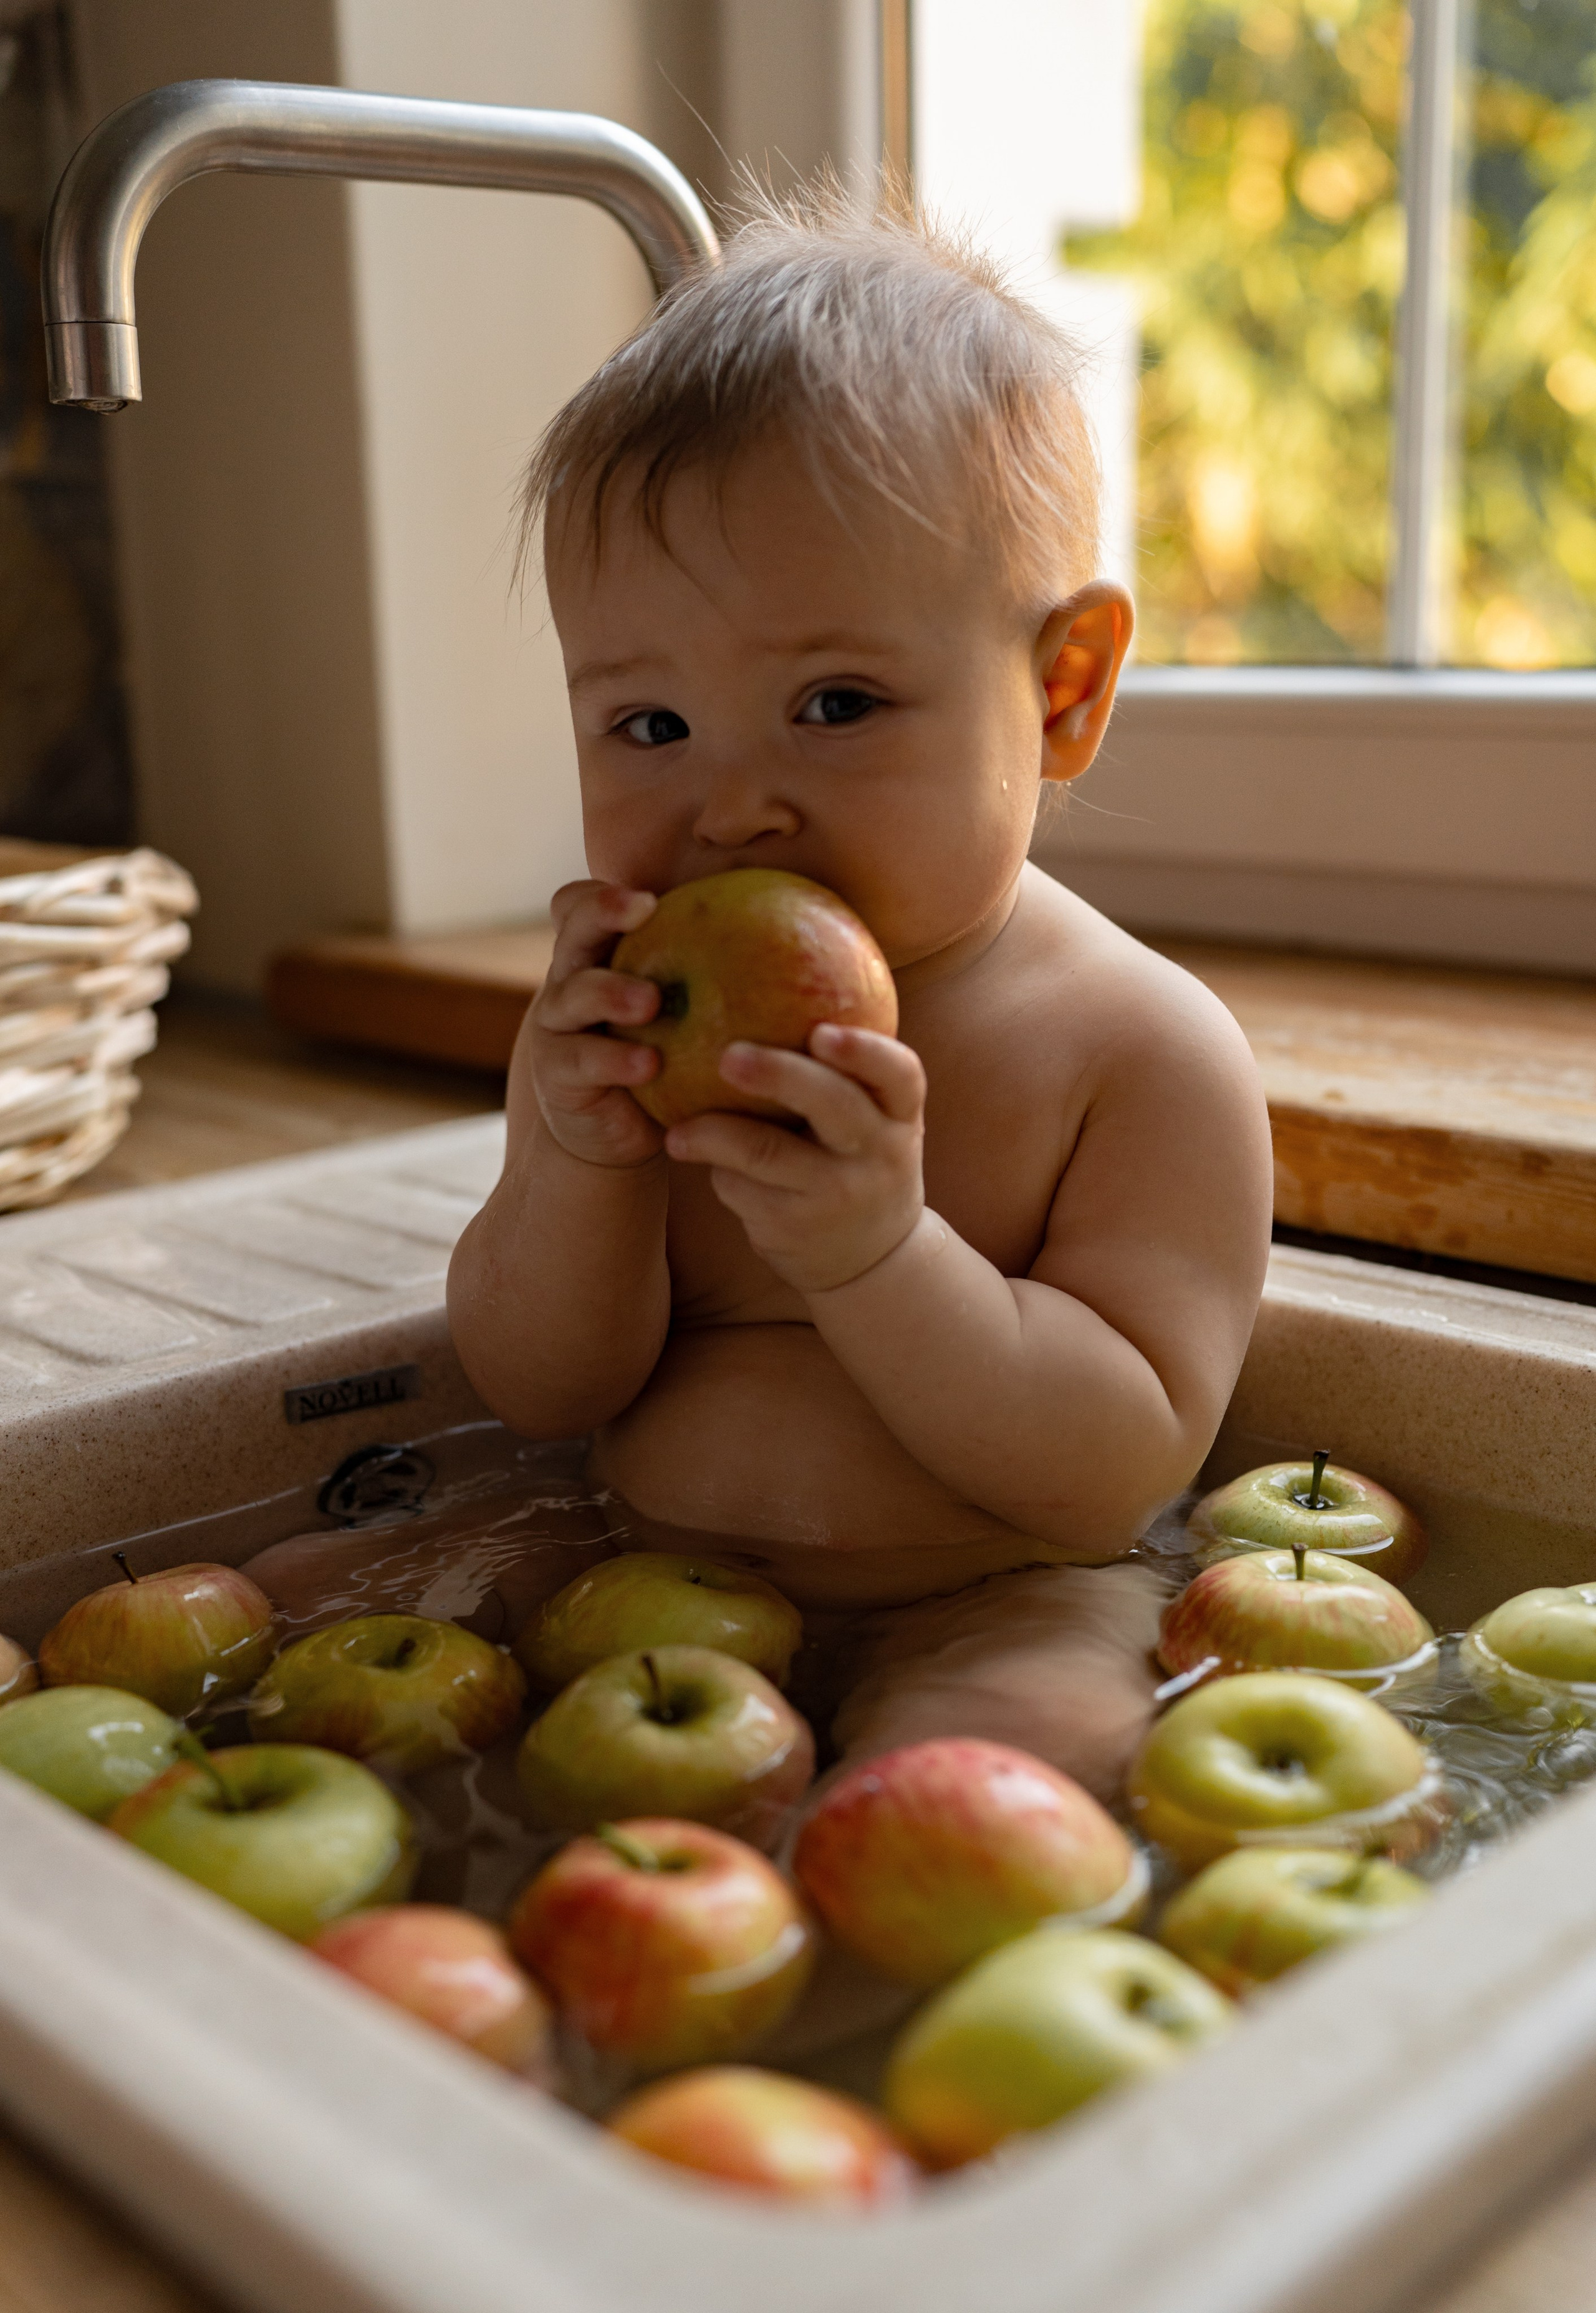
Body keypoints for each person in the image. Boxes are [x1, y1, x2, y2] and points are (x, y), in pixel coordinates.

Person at [448, 183, 1274, 1805]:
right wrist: (579, 1163)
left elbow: (1112, 1475)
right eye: (650, 728)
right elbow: (540, 1389)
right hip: (634, 1587)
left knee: (1028, 1754)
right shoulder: (639, 1022)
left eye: (834, 703)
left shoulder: (1136, 1052)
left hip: (996, 1600)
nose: (731, 807)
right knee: (408, 1706)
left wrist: (878, 1255)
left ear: (1063, 689)